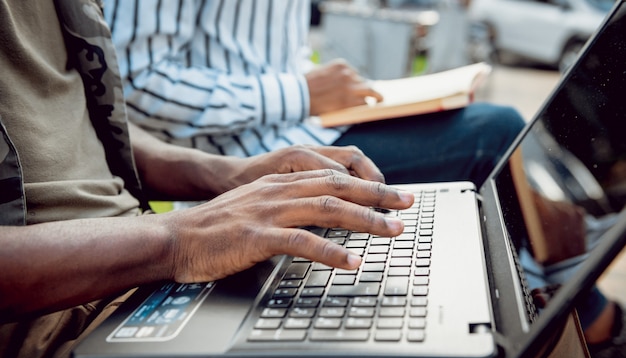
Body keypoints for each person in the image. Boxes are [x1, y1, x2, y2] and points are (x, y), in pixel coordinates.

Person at [0, 1, 608, 358]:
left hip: (135, 248)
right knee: (515, 338)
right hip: (47, 327)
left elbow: (87, 117)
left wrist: (223, 175)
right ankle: (599, 318)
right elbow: (148, 83)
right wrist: (178, 238)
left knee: (460, 281)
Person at [103, 0, 525, 188]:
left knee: (484, 124)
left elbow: (269, 56)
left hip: (311, 129)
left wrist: (332, 87)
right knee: (496, 131)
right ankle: (560, 303)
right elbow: (134, 81)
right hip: (250, 160)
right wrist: (300, 93)